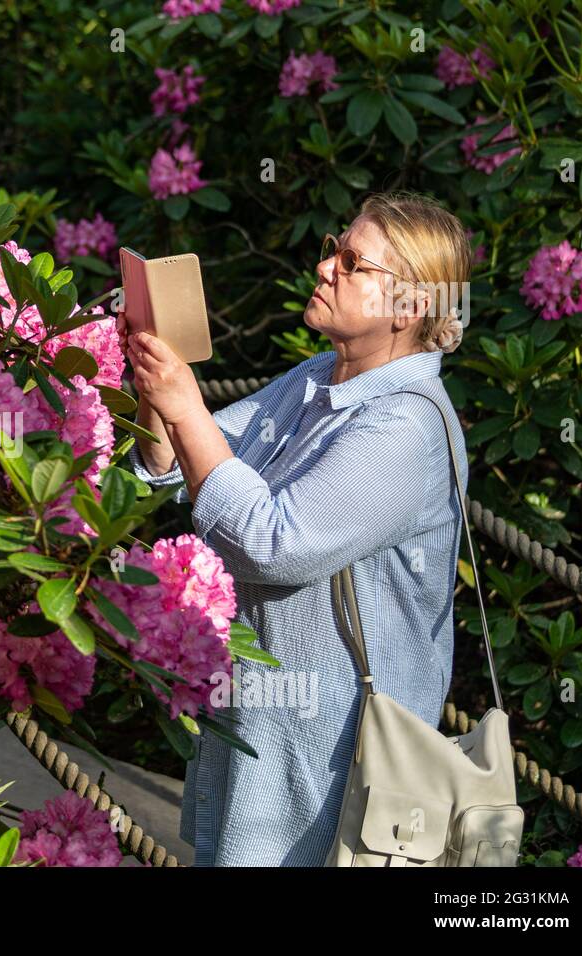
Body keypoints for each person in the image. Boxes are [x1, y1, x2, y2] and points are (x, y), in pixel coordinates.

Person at [120, 190, 473, 865]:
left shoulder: (406, 426)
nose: (324, 267)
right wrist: (154, 387)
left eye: (352, 262)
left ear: (410, 306)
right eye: (332, 250)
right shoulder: (321, 376)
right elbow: (178, 463)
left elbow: (272, 545)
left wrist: (185, 408)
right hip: (265, 729)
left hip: (332, 762)